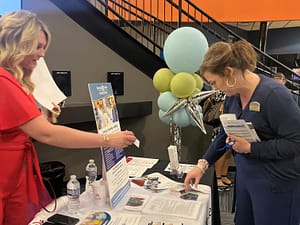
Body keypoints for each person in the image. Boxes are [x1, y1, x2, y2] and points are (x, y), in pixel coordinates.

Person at [0, 10, 136, 225]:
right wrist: (107, 140)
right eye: (37, 46)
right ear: (17, 42)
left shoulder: (11, 80)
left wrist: (43, 113)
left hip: (15, 174)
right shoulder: (4, 81)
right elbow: (48, 134)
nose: (42, 54)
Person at [184, 40, 300, 225]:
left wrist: (251, 148)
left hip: (276, 182)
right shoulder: (234, 97)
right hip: (247, 178)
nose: (214, 89)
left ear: (229, 72)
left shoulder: (275, 95)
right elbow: (225, 134)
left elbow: (295, 143)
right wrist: (203, 164)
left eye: (214, 82)